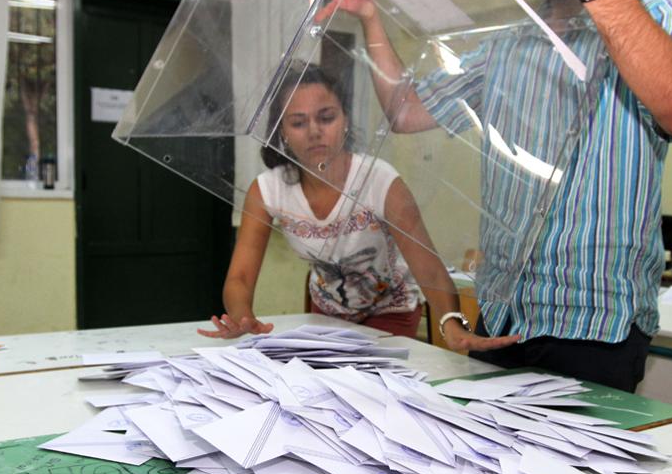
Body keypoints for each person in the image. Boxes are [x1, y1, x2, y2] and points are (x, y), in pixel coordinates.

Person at [318, 0, 672, 391]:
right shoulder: (507, 43)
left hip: (594, 326)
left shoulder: (655, 17)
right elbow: (406, 112)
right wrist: (370, 16)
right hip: (500, 320)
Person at [198, 62, 519, 349]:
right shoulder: (268, 190)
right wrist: (242, 318)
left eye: (326, 117)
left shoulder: (380, 182)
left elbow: (430, 268)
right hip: (326, 310)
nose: (314, 132)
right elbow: (239, 276)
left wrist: (452, 323)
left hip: (391, 309)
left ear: (346, 120)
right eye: (298, 122)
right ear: (281, 131)